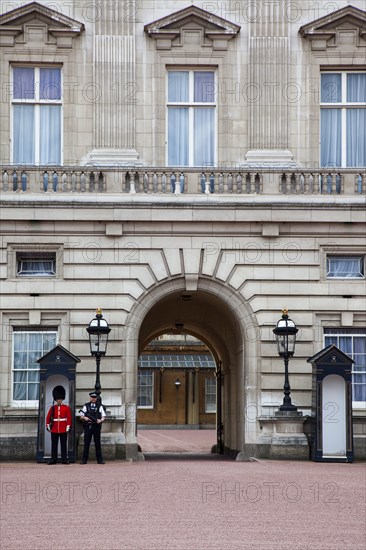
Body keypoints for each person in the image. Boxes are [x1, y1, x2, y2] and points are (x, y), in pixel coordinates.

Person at [46, 385, 72, 465]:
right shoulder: (52, 408)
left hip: (63, 428)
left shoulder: (66, 408)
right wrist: (48, 426)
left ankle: (64, 459)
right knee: (54, 445)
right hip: (54, 428)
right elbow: (48, 417)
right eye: (58, 399)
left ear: (62, 399)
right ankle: (53, 459)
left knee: (63, 445)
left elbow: (69, 418)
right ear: (56, 399)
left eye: (60, 399)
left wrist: (68, 426)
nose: (59, 400)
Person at [79, 391, 106, 464]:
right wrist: (85, 418)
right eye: (92, 397)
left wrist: (100, 420)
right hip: (88, 426)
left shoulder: (100, 406)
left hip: (96, 426)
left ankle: (99, 459)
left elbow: (103, 416)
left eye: (95, 397)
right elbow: (81, 416)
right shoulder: (86, 406)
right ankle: (84, 459)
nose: (93, 399)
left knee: (97, 443)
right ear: (90, 398)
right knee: (86, 443)